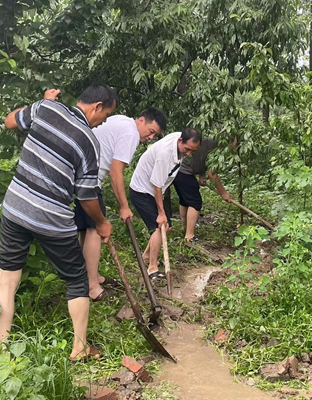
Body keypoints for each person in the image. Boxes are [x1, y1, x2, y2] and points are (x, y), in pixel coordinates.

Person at [0, 85, 117, 362]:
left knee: (7, 279)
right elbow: (86, 196)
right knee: (76, 279)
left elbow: (9, 121)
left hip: (15, 208)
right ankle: (80, 348)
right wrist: (101, 222)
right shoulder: (89, 142)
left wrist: (40, 102)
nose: (103, 122)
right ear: (96, 106)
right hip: (52, 219)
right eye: (105, 115)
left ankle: (3, 352)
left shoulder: (46, 108)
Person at [74, 108, 167, 301]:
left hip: (78, 174)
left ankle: (91, 276)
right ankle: (91, 286)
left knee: (85, 230)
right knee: (94, 230)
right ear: (141, 120)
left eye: (154, 135)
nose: (150, 137)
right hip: (88, 178)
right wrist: (124, 206)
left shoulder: (121, 121)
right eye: (150, 131)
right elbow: (116, 172)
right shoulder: (131, 133)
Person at [129, 129, 202, 281]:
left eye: (192, 151)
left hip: (153, 190)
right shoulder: (165, 155)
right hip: (142, 191)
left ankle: (147, 256)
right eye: (187, 149)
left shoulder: (180, 141)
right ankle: (152, 268)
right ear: (181, 141)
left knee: (166, 226)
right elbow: (156, 186)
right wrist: (161, 213)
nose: (188, 154)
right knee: (159, 227)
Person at [173, 137, 232, 242]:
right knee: (195, 202)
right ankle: (189, 236)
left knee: (185, 200)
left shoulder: (210, 143)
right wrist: (223, 193)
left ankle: (184, 228)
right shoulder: (218, 150)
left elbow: (202, 159)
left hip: (177, 169)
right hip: (183, 171)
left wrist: (201, 176)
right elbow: (212, 174)